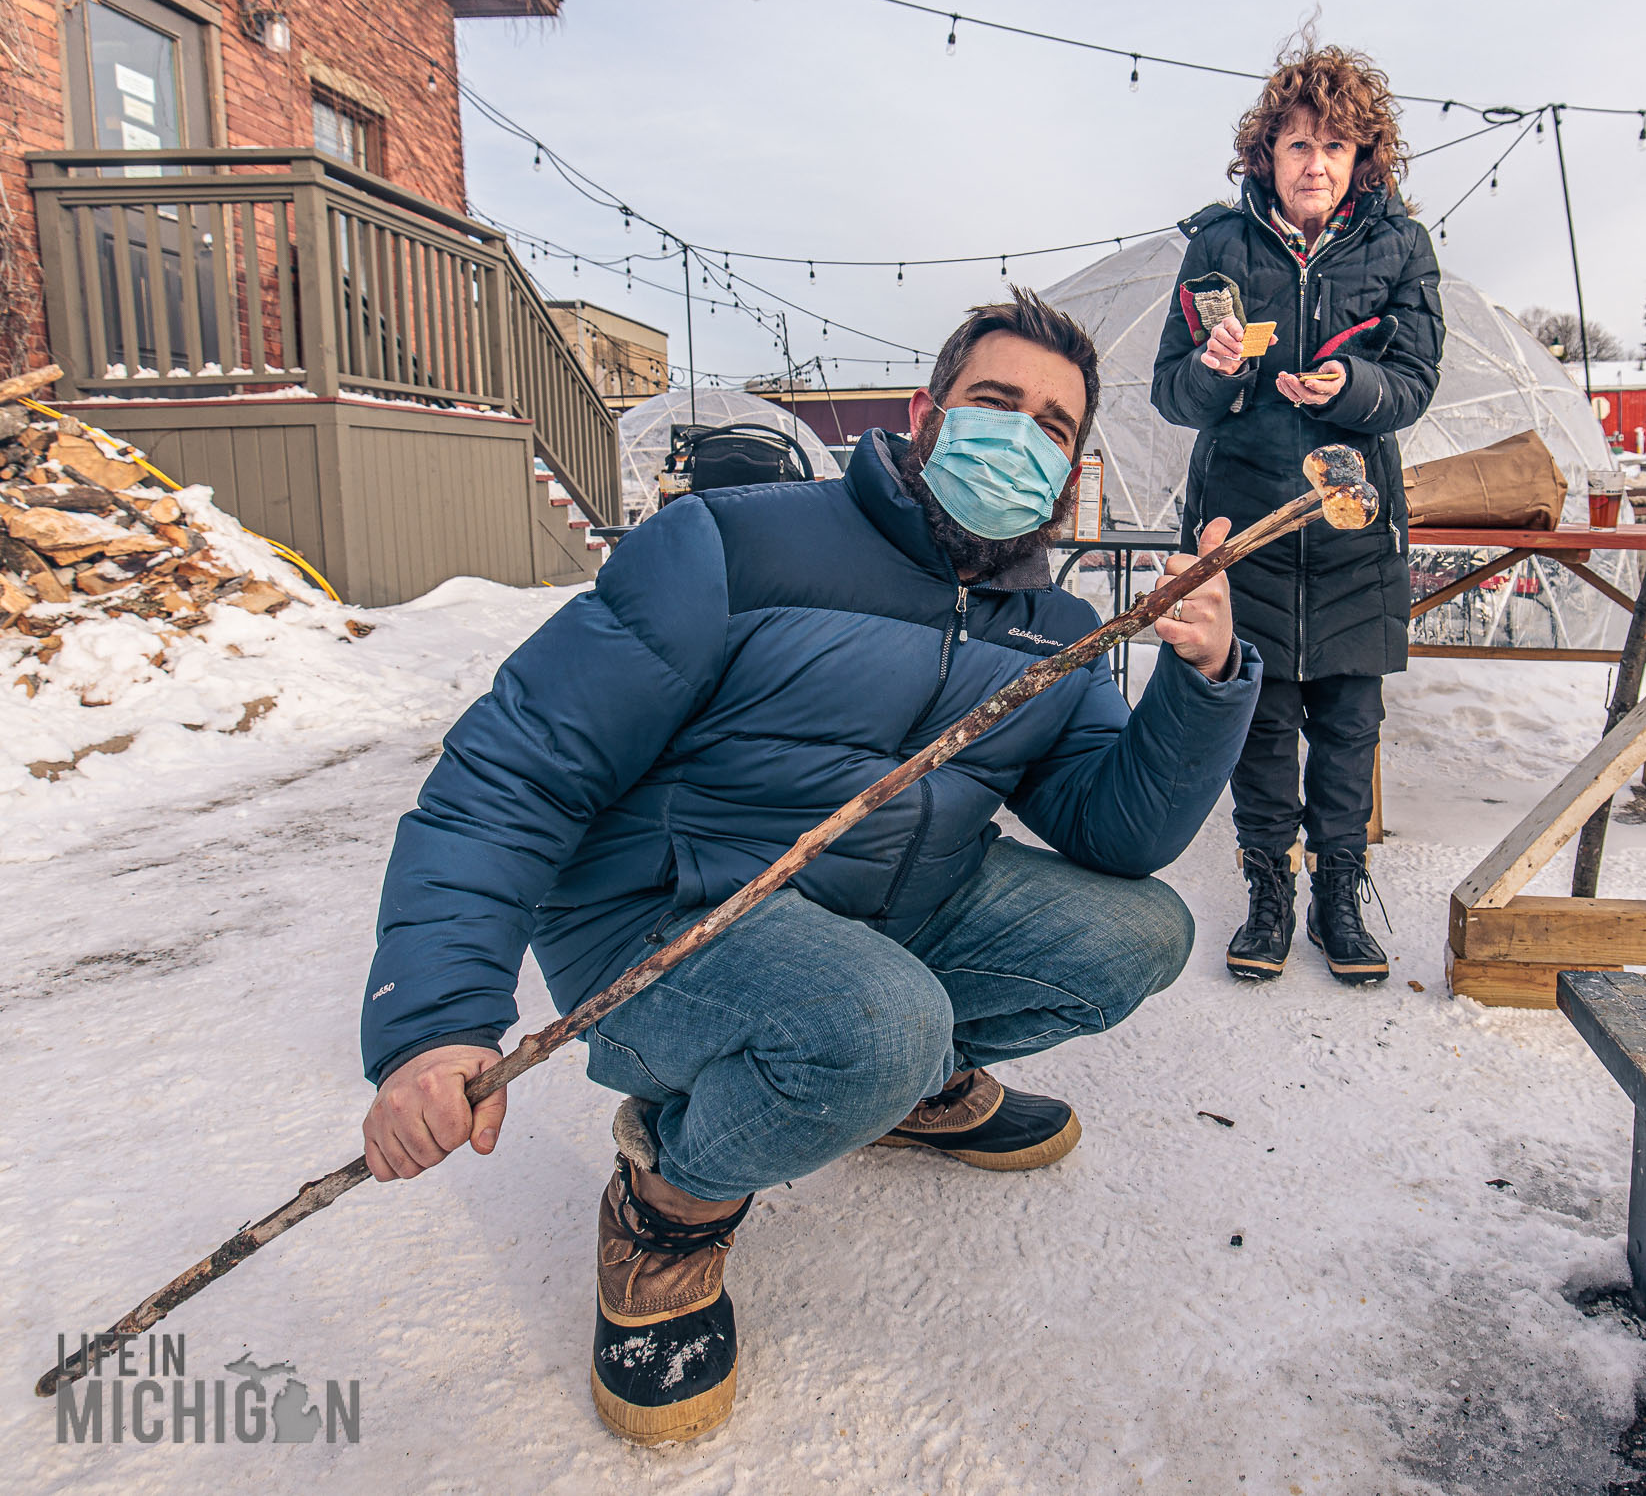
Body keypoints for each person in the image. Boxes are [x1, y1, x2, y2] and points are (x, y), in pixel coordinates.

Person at [356, 291, 1259, 1446]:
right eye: (995, 403)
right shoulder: (732, 543)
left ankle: (898, 1074)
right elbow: (520, 764)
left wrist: (1206, 674)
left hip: (886, 910)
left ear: (1072, 470)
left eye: (1052, 426)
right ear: (928, 414)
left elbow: (1116, 833)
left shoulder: (1052, 626)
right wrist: (436, 1020)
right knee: (876, 1018)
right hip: (664, 923)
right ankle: (669, 1203)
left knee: (1143, 931)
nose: (1020, 437)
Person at [1151, 42, 1443, 985]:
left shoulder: (1400, 247)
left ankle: (1340, 895)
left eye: (1336, 146)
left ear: (1363, 160)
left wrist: (1350, 384)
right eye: (1297, 144)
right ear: (1264, 153)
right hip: (1248, 533)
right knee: (1266, 723)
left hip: (1354, 530)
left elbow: (1415, 382)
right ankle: (1270, 889)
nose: (1315, 163)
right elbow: (1171, 395)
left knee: (1351, 721)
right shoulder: (1216, 249)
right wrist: (1212, 370)